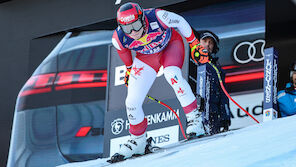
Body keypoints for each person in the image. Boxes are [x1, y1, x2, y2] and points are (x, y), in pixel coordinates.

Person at [111, 2, 209, 159]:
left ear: (143, 19)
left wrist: (194, 43)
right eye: (128, 28)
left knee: (172, 74)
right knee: (131, 102)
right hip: (147, 57)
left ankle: (195, 119)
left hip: (170, 46)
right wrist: (129, 68)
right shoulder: (118, 38)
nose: (134, 32)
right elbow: (124, 53)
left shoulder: (157, 16)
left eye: (136, 25)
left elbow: (180, 21)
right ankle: (138, 140)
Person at [189, 30, 231, 135]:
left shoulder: (217, 69)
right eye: (205, 40)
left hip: (212, 114)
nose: (208, 44)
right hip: (193, 113)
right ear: (198, 42)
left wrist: (225, 117)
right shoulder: (189, 61)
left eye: (211, 42)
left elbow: (223, 95)